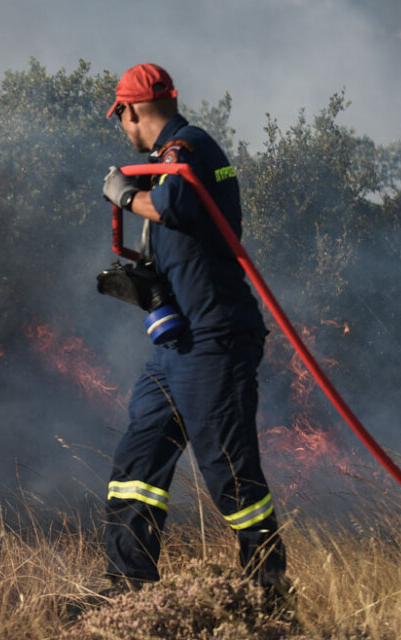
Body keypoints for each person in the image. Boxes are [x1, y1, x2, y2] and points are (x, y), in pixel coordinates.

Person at [98, 63, 289, 598]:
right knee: (138, 459)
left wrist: (123, 195)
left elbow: (175, 205)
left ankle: (266, 591)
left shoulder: (187, 151)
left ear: (131, 111)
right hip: (177, 344)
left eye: (122, 116)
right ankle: (127, 590)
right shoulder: (169, 161)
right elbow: (183, 237)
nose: (123, 126)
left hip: (215, 339)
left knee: (229, 471)